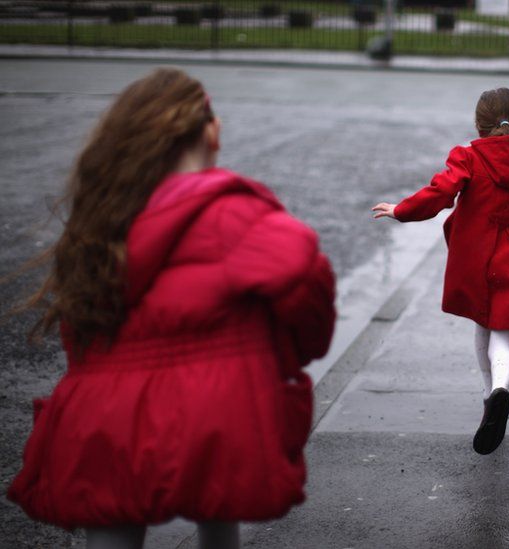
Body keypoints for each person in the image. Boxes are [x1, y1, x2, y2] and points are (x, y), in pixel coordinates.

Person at [6, 68, 337, 549]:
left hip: (102, 415)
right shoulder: (238, 213)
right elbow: (308, 291)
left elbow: (81, 334)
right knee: (218, 506)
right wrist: (284, 356)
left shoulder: (100, 222)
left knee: (111, 519)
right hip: (214, 410)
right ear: (209, 131)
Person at [372, 87, 509, 456]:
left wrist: (401, 210)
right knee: (504, 339)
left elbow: (441, 193)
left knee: (482, 328)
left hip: (477, 261)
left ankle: (489, 398)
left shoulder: (468, 158)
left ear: (478, 125)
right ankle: (500, 391)